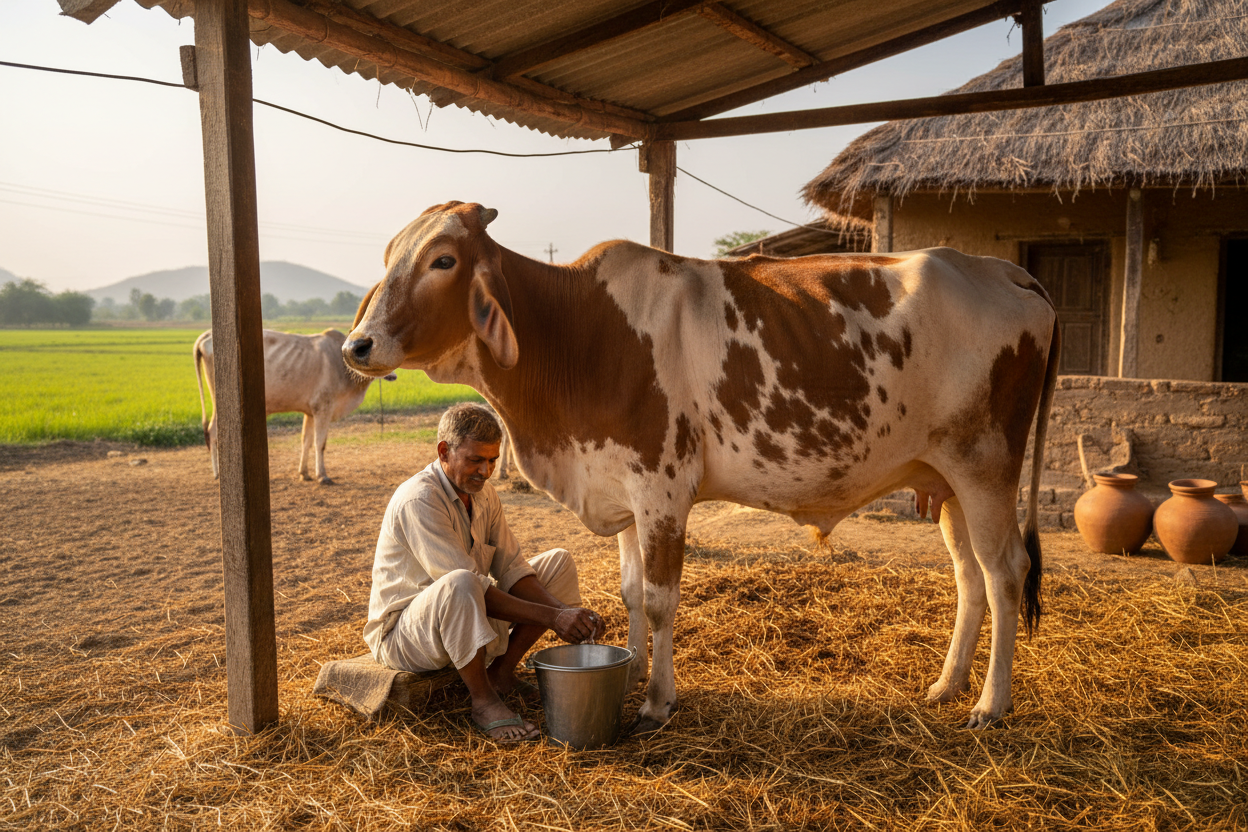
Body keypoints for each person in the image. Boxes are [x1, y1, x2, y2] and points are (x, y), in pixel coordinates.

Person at [364, 402, 606, 742]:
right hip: (405, 635)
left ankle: (501, 675)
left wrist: (565, 612)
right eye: (475, 460)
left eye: (492, 460)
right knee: (461, 582)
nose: (486, 471)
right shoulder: (419, 500)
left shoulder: (484, 494)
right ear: (444, 452)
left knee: (558, 562)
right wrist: (554, 618)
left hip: (463, 612)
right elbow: (471, 585)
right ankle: (483, 700)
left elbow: (511, 569)